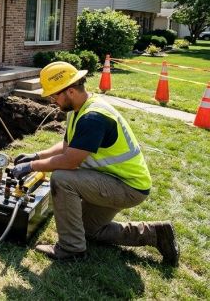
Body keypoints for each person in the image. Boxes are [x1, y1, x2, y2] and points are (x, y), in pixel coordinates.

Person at [9, 61, 179, 265]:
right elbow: (67, 147)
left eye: (54, 95)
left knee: (62, 178)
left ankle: (71, 250)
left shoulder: (93, 117)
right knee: (90, 230)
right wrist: (36, 156)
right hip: (113, 180)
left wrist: (31, 167)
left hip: (127, 186)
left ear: (70, 91)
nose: (53, 100)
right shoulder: (80, 109)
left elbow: (70, 161)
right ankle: (156, 233)